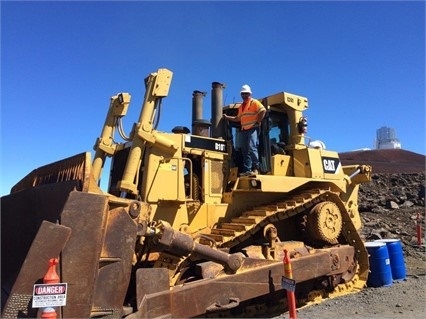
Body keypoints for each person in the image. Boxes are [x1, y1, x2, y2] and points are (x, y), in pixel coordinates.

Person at [223, 84, 266, 175]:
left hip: (253, 128)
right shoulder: (241, 107)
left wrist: (258, 121)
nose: (244, 96)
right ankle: (247, 170)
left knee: (252, 147)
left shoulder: (254, 102)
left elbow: (263, 110)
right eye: (243, 94)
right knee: (245, 150)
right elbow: (237, 119)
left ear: (250, 94)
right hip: (244, 129)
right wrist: (227, 117)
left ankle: (256, 168)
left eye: (246, 94)